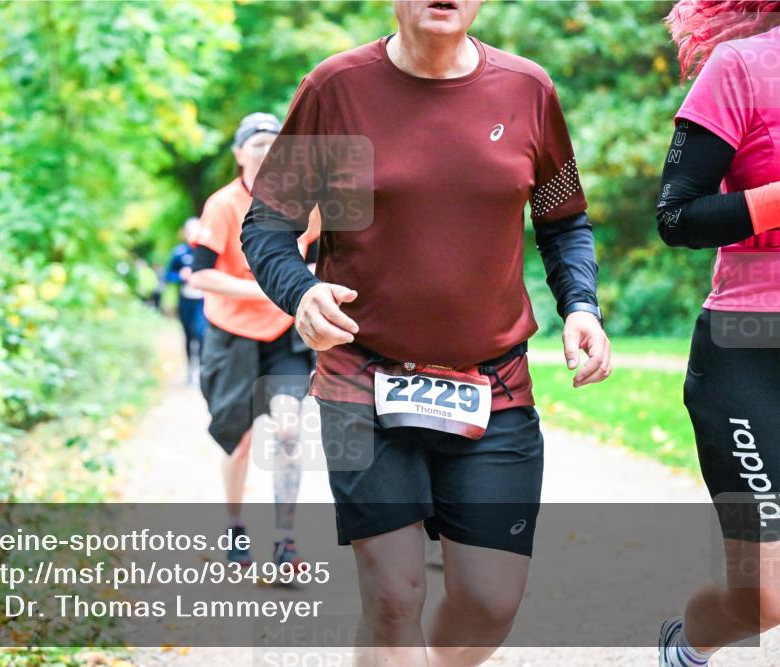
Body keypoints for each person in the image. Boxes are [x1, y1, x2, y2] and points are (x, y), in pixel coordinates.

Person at [241, 2, 611, 665]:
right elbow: (267, 226)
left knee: (490, 601)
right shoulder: (336, 89)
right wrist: (300, 292)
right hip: (359, 378)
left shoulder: (528, 90)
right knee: (392, 597)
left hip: (493, 384)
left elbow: (565, 222)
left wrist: (580, 304)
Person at [655, 3, 780, 666]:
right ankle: (687, 647)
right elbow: (676, 216)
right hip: (748, 353)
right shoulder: (741, 68)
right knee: (765, 596)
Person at [189, 112, 320, 571]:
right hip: (232, 336)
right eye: (258, 143)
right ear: (240, 153)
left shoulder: (305, 205)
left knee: (288, 430)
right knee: (239, 441)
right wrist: (265, 286)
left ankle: (285, 539)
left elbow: (319, 264)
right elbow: (200, 273)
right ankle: (235, 527)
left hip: (284, 335)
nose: (267, 151)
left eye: (275, 143)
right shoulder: (222, 205)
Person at [165, 217, 207, 384]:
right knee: (189, 334)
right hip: (185, 300)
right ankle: (191, 368)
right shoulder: (179, 253)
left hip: (204, 300)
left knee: (201, 333)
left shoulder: (206, 250)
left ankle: (203, 370)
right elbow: (168, 276)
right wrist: (180, 276)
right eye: (190, 232)